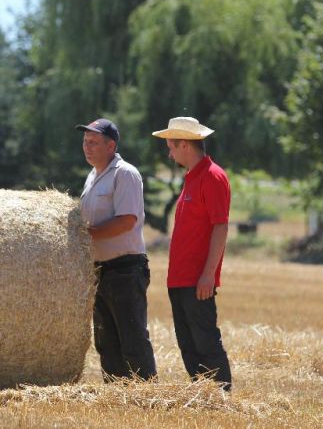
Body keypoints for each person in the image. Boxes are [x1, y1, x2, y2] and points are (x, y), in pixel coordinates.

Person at [152, 116, 232, 391]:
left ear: (184, 144)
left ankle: (221, 397)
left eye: (171, 146)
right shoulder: (192, 177)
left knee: (206, 341)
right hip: (180, 278)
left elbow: (220, 227)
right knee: (188, 343)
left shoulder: (212, 177)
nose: (169, 152)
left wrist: (208, 274)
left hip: (197, 279)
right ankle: (201, 396)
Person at [76, 118, 157, 381]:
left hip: (125, 269)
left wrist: (85, 236)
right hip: (99, 270)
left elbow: (126, 221)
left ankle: (146, 397)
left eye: (94, 142)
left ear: (111, 146)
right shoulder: (92, 177)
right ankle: (117, 399)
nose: (87, 147)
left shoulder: (125, 174)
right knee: (106, 342)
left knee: (132, 339)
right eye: (85, 141)